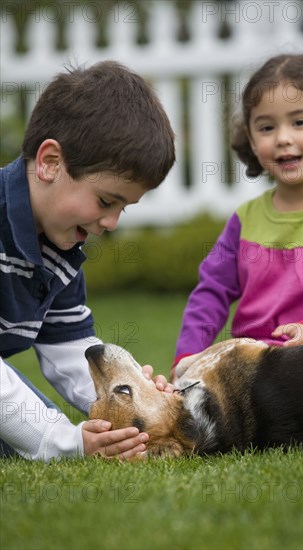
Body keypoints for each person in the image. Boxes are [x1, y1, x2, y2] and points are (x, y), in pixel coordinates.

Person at [0, 61, 176, 461]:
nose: (110, 222)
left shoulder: (60, 247)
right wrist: (62, 440)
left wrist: (125, 397)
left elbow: (70, 346)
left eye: (122, 209)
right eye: (104, 201)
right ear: (50, 162)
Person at [172, 53, 303, 379]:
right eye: (267, 127)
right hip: (255, 369)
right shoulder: (245, 219)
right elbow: (211, 292)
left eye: (299, 122)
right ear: (251, 138)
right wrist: (188, 354)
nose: (283, 138)